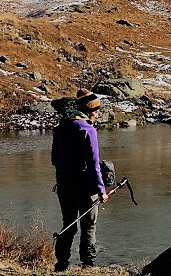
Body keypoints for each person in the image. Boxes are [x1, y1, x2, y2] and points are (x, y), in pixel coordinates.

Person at [51, 89, 109, 271]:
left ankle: (61, 263)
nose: (98, 113)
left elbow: (54, 159)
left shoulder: (60, 128)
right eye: (97, 109)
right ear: (89, 110)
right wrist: (102, 190)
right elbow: (93, 164)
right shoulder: (88, 130)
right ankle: (88, 265)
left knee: (68, 223)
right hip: (86, 187)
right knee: (89, 227)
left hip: (64, 185)